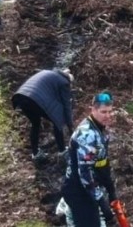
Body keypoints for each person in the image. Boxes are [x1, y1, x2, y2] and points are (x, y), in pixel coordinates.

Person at [61, 92, 121, 227]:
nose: (107, 116)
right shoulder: (87, 134)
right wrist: (101, 202)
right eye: (103, 112)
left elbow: (102, 161)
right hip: (78, 190)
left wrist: (111, 190)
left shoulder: (101, 129)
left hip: (89, 188)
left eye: (110, 112)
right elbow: (85, 173)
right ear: (93, 110)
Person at [13, 69, 74, 162]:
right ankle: (62, 151)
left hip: (20, 97)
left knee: (35, 123)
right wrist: (70, 125)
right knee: (58, 118)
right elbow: (66, 105)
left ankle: (35, 153)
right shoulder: (64, 82)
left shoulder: (50, 74)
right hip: (35, 98)